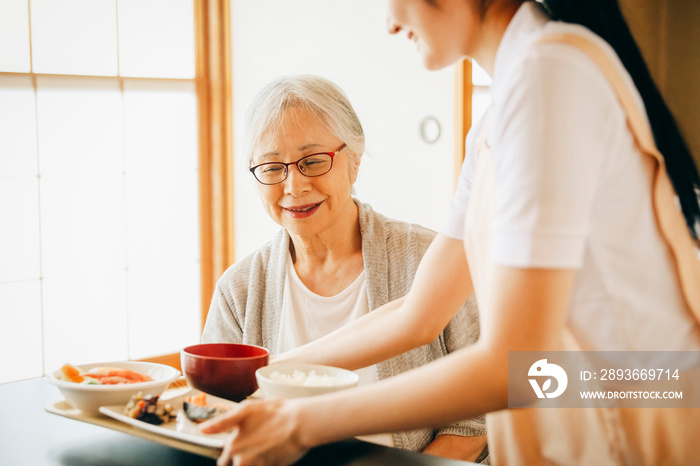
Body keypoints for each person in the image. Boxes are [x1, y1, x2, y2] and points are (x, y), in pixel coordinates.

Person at [201, 1, 700, 465]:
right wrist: (266, 371)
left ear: (353, 160)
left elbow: (513, 365)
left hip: (636, 419)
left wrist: (301, 421)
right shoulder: (498, 116)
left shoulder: (549, 76)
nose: (391, 22)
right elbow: (418, 312)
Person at [201, 74, 489, 462]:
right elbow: (215, 418)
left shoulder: (429, 261)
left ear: (354, 159)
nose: (294, 185)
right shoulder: (238, 291)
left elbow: (476, 423)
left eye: (314, 161)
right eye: (272, 168)